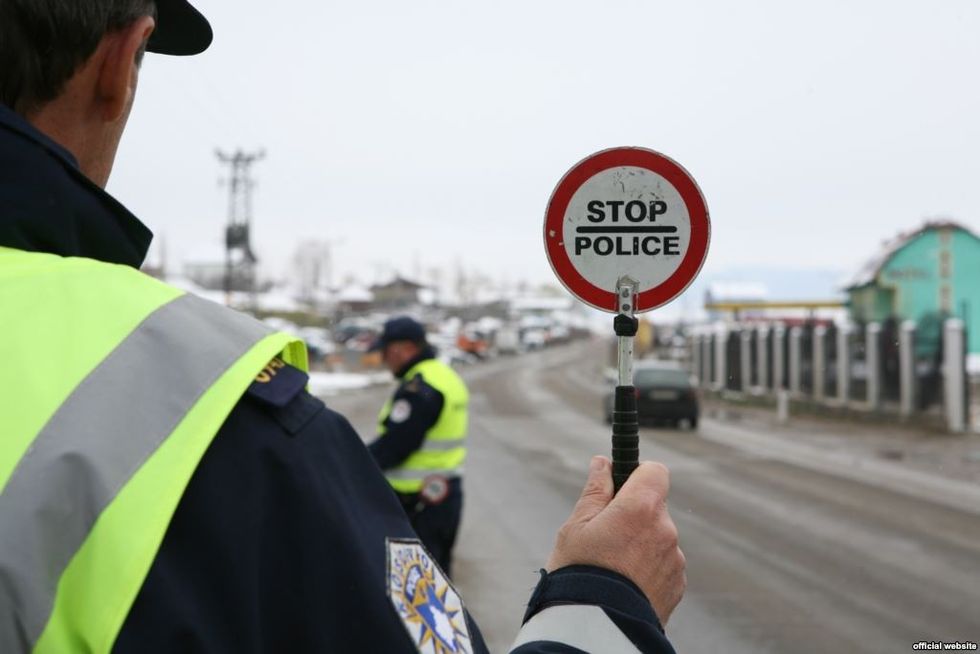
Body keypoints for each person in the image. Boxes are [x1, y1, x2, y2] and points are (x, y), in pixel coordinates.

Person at [0, 1, 686, 652]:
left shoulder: (407, 386)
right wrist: (604, 602)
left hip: (433, 499)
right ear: (119, 66)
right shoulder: (207, 411)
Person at [367, 316, 468, 576]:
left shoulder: (420, 388)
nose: (384, 359)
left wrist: (356, 462)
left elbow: (397, 445)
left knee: (417, 585)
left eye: (386, 351)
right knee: (435, 581)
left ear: (405, 348)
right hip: (440, 497)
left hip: (419, 504)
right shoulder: (443, 375)